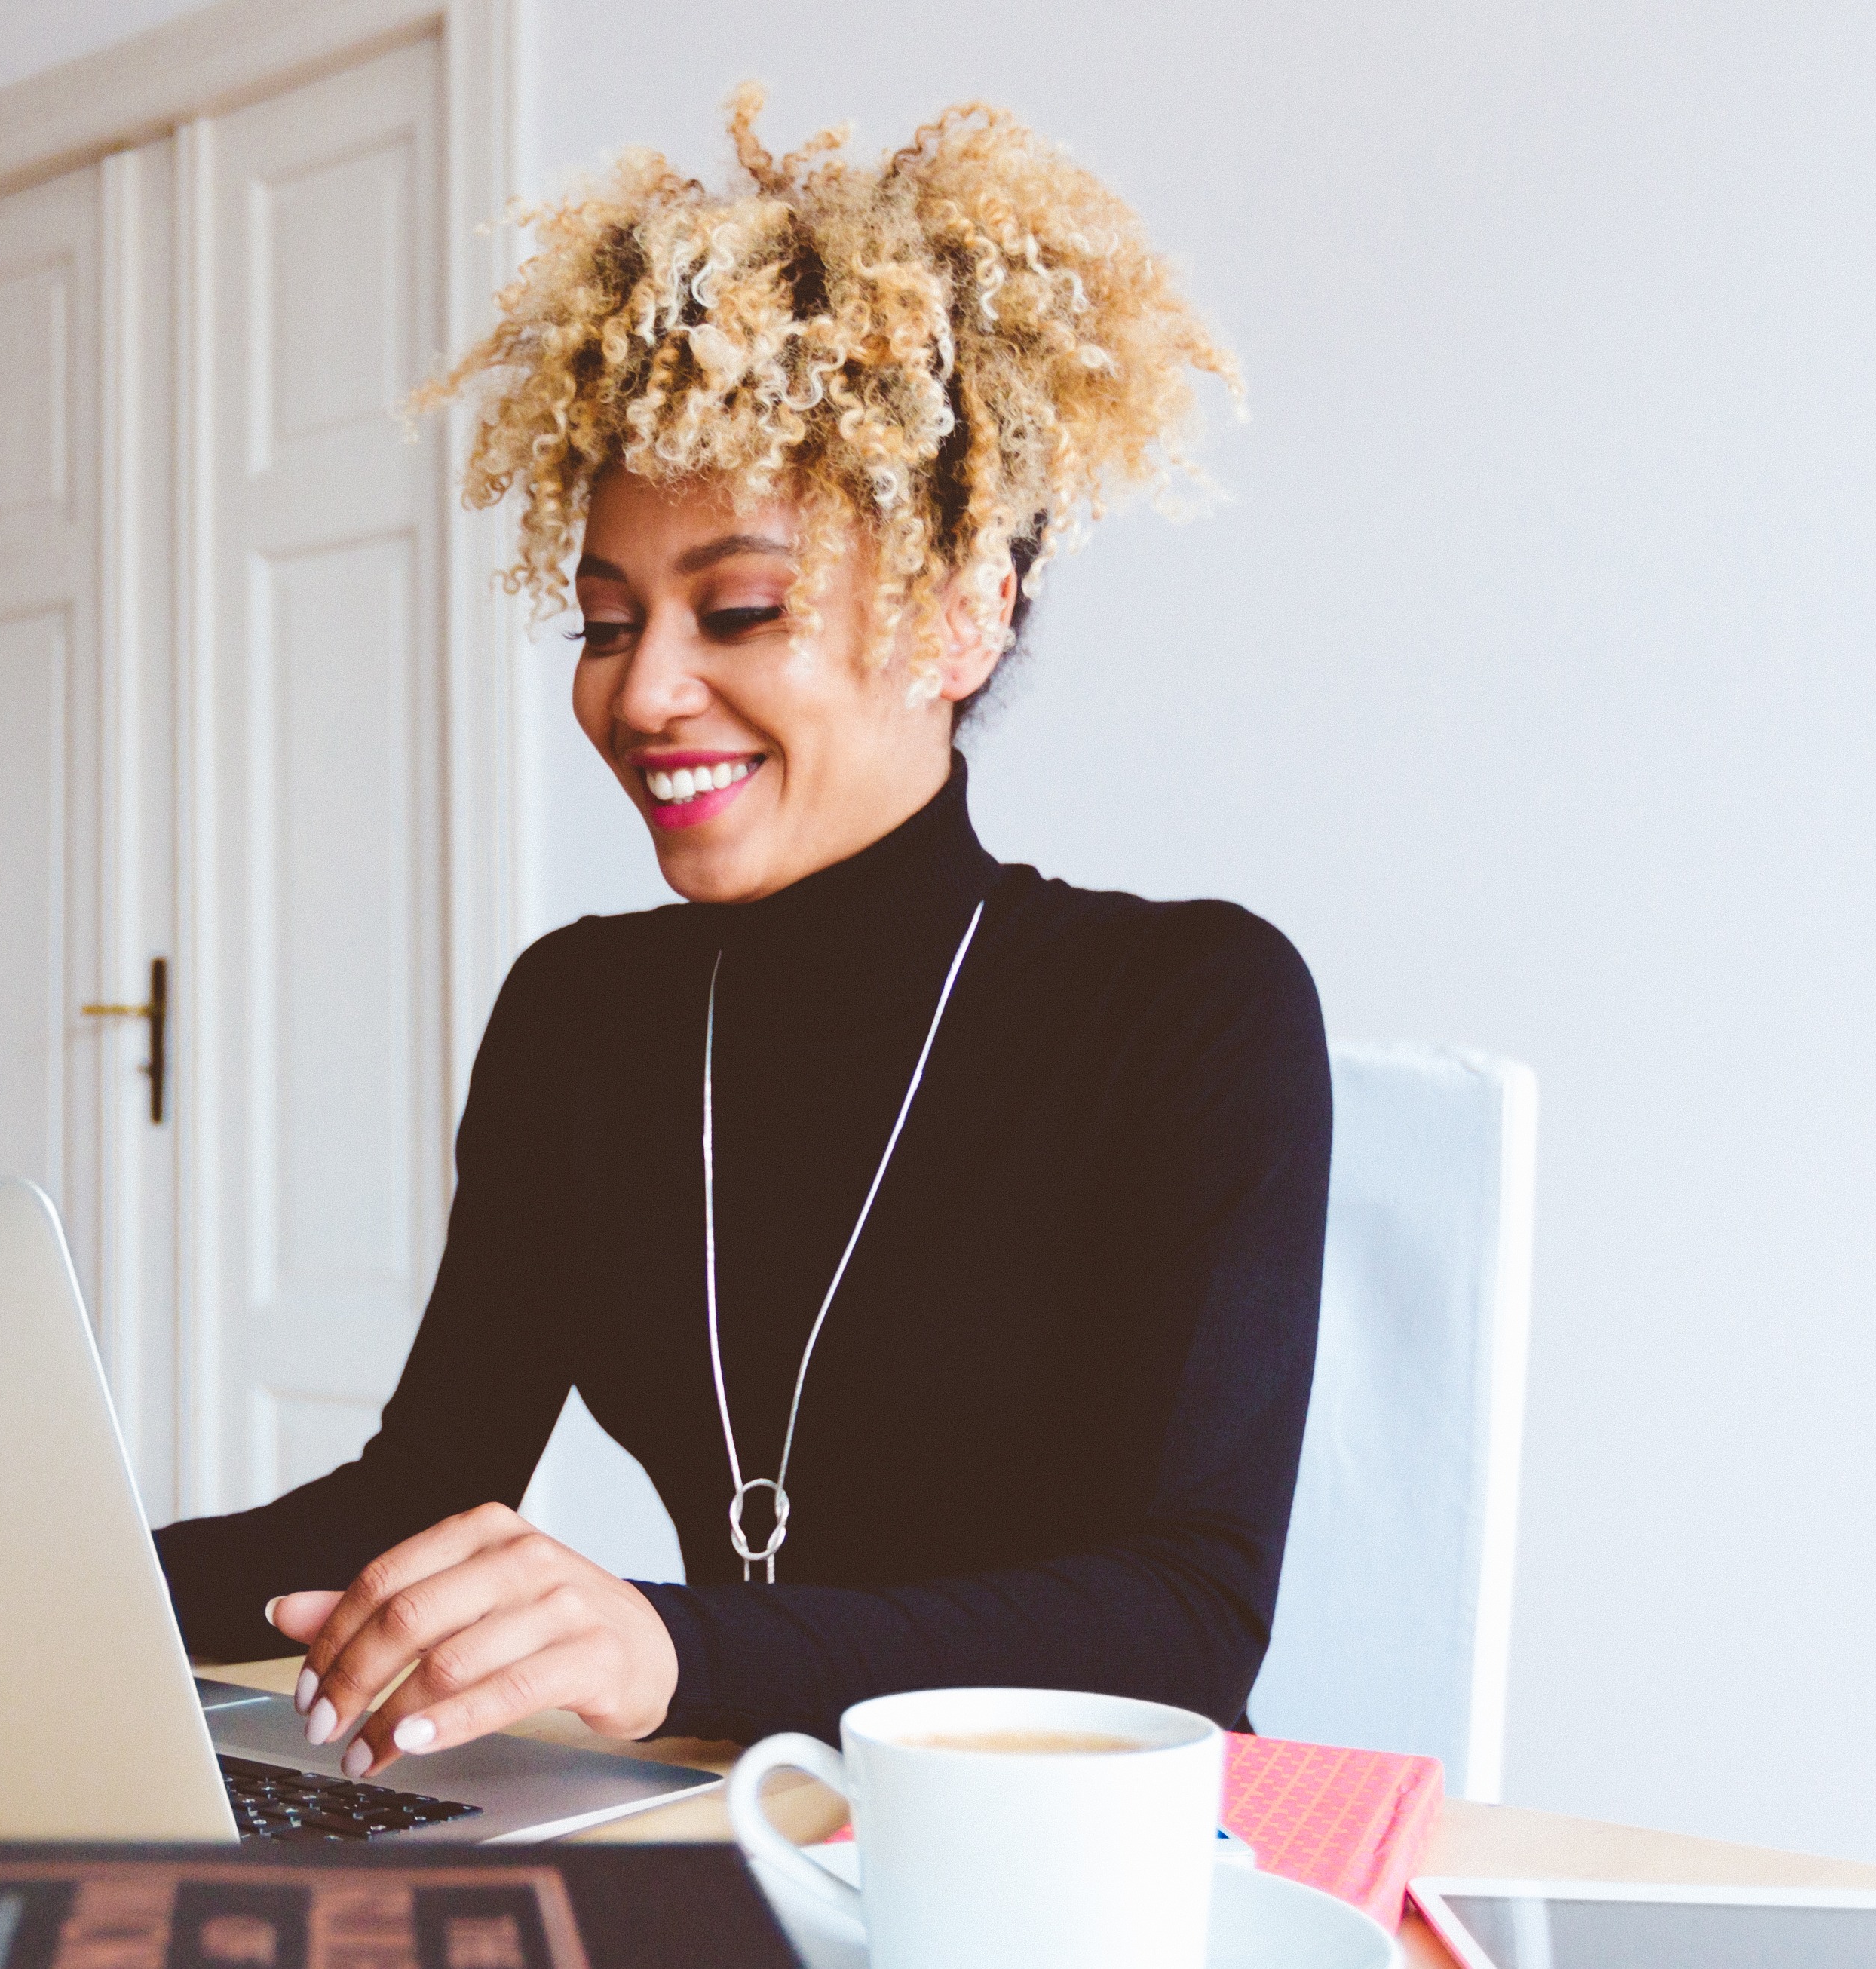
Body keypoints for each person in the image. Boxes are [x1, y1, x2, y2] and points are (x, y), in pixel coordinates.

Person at [152, 89, 1327, 1783]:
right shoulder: (580, 1014)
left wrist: (670, 1641)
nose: (642, 692)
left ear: (961, 612)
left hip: (1061, 1855)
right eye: (606, 621)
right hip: (725, 1810)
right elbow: (412, 1499)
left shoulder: (1187, 1007)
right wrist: (14, 1594)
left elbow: (1185, 1618)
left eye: (742, 610)